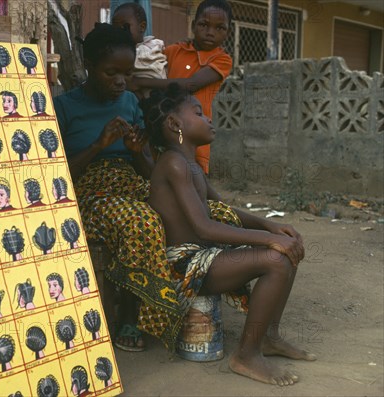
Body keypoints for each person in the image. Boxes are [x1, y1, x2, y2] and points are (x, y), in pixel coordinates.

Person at [142, 84, 316, 385]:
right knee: (276, 258)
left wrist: (270, 226)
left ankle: (268, 337)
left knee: (287, 250)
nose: (208, 118)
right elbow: (204, 227)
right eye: (198, 112)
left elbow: (223, 209)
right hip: (184, 267)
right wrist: (269, 239)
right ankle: (246, 356)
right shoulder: (172, 163)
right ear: (174, 124)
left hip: (204, 259)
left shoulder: (191, 165)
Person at [53, 22, 170, 352]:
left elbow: (148, 170)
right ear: (89, 67)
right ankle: (131, 317)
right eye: (111, 73)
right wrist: (98, 145)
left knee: (194, 208)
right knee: (140, 221)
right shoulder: (64, 107)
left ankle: (184, 307)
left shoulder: (130, 102)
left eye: (127, 73)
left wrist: (136, 152)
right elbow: (57, 174)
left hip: (129, 182)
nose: (121, 82)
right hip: (91, 191)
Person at [129, 0, 233, 174]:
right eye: (204, 25)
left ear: (228, 33)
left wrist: (139, 82)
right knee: (160, 172)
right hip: (163, 125)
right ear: (193, 25)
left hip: (193, 130)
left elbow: (190, 85)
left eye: (219, 28)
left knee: (193, 175)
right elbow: (154, 70)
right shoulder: (175, 50)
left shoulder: (222, 59)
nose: (210, 32)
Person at [111, 2, 167, 99]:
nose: (119, 31)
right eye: (115, 27)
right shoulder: (118, 53)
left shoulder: (154, 46)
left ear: (142, 27)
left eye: (125, 26)